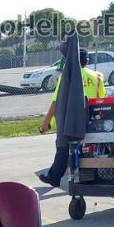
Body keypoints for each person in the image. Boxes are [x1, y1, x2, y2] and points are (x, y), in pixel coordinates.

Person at [36, 48, 105, 187]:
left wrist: (46, 121)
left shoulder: (66, 77)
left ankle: (55, 176)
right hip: (93, 119)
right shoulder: (98, 76)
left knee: (63, 148)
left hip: (71, 121)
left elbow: (57, 101)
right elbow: (102, 97)